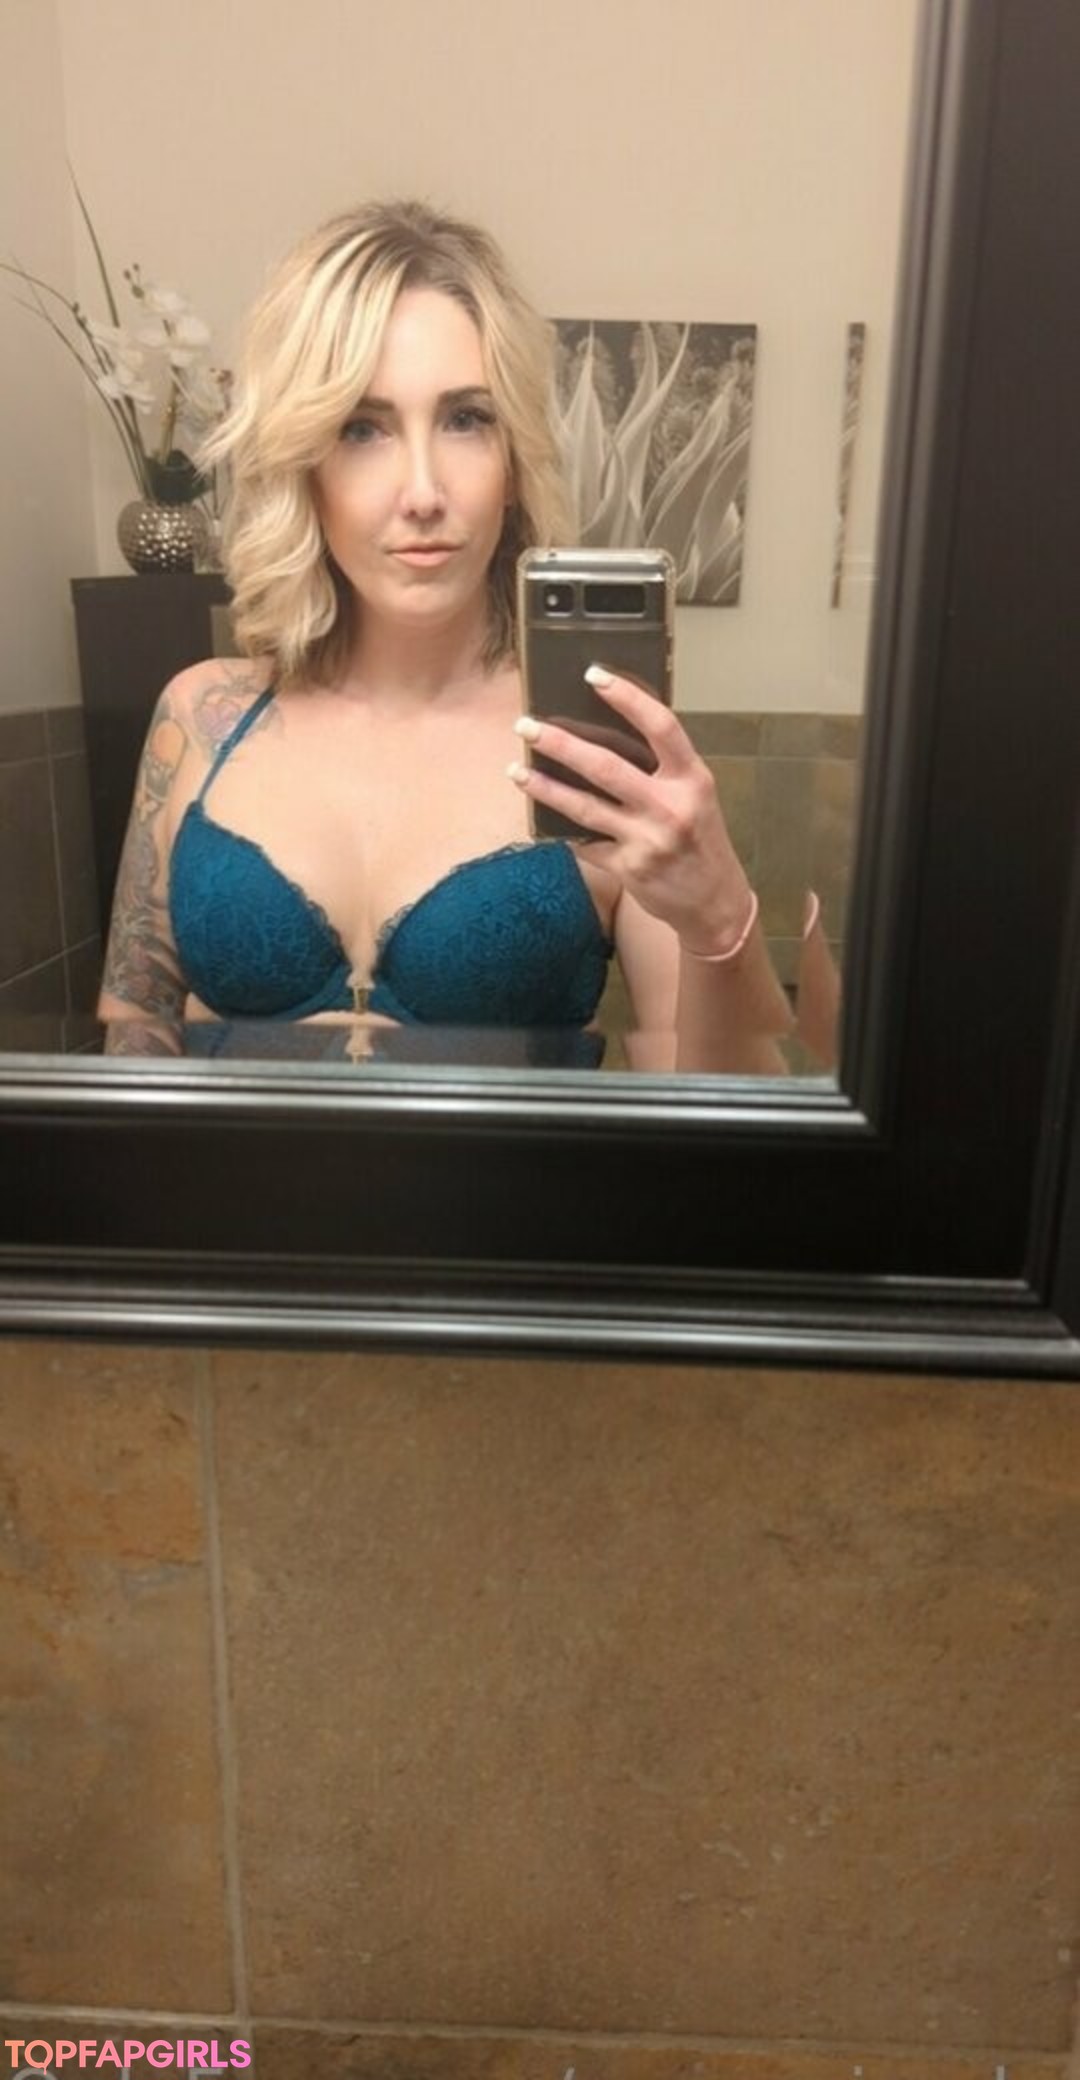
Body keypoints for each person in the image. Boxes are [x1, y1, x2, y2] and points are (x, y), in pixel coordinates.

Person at [98, 199, 796, 1072]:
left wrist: (720, 916)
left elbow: (719, 1124)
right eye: (362, 428)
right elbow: (135, 1032)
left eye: (466, 419)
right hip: (222, 1172)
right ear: (304, 464)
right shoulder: (202, 716)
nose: (423, 492)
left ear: (514, 462)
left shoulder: (595, 752)